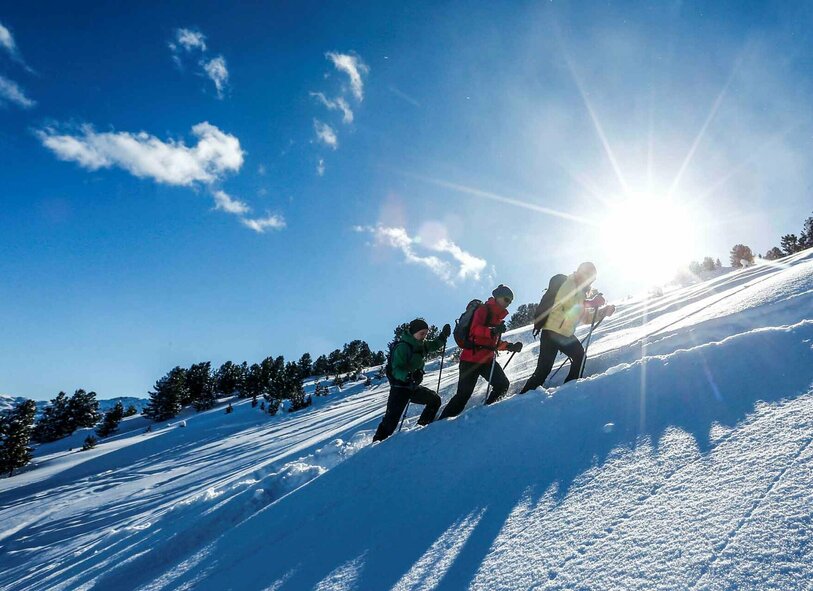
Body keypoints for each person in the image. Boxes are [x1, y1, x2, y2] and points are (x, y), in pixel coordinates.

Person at [520, 262, 615, 394]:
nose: (588, 278)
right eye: (586, 274)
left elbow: (585, 317)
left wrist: (603, 312)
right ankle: (523, 397)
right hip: (551, 332)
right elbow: (568, 302)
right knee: (543, 370)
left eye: (591, 277)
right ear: (579, 271)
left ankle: (568, 391)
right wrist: (592, 302)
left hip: (565, 334)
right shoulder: (567, 282)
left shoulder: (582, 293)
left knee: (579, 358)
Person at [439, 285, 523, 419]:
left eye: (510, 301)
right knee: (463, 396)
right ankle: (440, 424)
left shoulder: (497, 317)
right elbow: (474, 330)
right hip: (470, 360)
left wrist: (510, 347)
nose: (508, 303)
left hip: (487, 360)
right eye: (506, 299)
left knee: (502, 385)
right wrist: (492, 331)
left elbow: (492, 343)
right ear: (497, 297)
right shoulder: (483, 310)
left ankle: (487, 413)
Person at [372, 318, 451, 442]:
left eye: (426, 333)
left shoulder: (421, 344)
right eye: (422, 333)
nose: (424, 336)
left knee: (434, 400)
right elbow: (396, 369)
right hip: (400, 388)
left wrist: (443, 336)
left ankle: (422, 429)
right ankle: (377, 444)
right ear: (413, 332)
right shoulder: (403, 347)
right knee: (391, 421)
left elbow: (434, 345)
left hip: (412, 386)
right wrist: (409, 375)